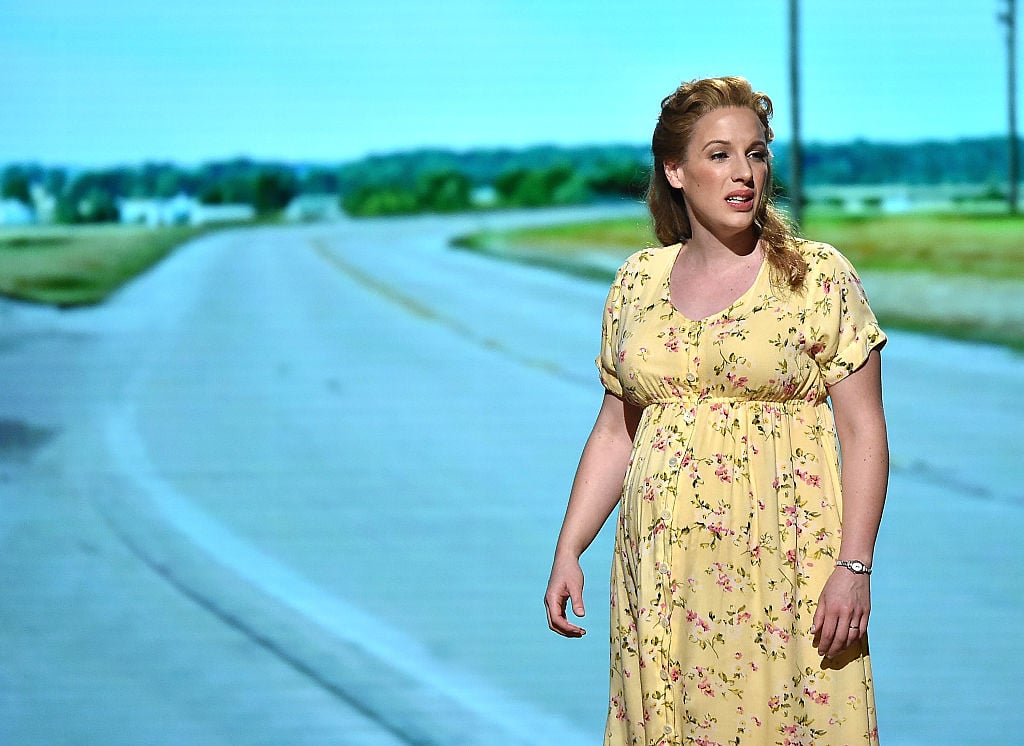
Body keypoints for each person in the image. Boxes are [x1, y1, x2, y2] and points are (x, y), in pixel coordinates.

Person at [544, 76, 888, 745]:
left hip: (788, 573)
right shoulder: (638, 282)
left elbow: (865, 431)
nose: (744, 174)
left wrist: (854, 567)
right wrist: (569, 547)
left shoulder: (815, 277)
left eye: (757, 154)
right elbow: (617, 431)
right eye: (719, 155)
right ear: (674, 170)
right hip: (663, 574)